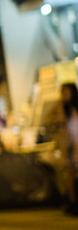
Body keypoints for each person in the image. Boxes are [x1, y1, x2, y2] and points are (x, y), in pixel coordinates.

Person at [47, 82, 78, 216]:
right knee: (69, 174)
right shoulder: (59, 107)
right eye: (63, 92)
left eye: (67, 92)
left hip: (76, 144)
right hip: (66, 145)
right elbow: (47, 120)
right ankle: (72, 201)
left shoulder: (75, 107)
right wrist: (58, 122)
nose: (64, 95)